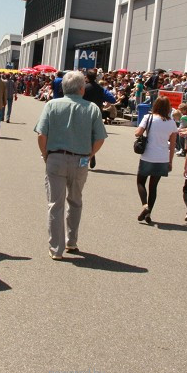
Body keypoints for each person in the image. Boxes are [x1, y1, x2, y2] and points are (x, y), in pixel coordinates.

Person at [34, 70, 107, 259]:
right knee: (75, 201)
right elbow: (100, 138)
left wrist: (45, 154)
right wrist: (90, 154)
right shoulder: (92, 108)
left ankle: (56, 249)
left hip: (56, 157)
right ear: (82, 89)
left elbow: (41, 135)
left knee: (55, 204)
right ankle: (71, 241)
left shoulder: (51, 105)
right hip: (81, 159)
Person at [134, 95, 178, 224]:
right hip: (162, 157)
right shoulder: (171, 122)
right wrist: (170, 161)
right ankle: (149, 214)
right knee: (153, 186)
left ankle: (145, 205)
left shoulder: (149, 118)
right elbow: (173, 144)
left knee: (140, 182)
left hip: (148, 155)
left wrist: (140, 131)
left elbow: (138, 133)